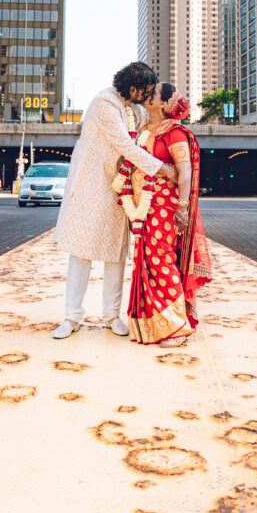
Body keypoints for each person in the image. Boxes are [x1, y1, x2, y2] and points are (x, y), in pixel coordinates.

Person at [53, 62, 179, 340]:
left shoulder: (133, 108)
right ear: (131, 87)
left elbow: (151, 128)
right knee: (81, 249)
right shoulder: (104, 103)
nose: (147, 97)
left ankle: (112, 315)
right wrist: (163, 169)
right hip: (91, 182)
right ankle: (72, 316)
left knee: (117, 251)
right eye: (144, 91)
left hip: (119, 188)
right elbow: (126, 145)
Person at [125, 84, 212, 347]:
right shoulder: (143, 131)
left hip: (165, 207)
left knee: (161, 259)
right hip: (143, 208)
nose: (148, 93)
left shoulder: (174, 133)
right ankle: (156, 325)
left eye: (154, 92)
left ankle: (178, 327)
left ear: (163, 104)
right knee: (148, 261)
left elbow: (184, 171)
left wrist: (183, 206)